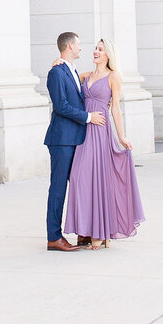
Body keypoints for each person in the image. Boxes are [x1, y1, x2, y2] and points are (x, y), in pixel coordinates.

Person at [63, 38, 145, 249]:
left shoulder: (114, 77)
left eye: (100, 49)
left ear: (108, 54)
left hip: (100, 131)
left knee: (98, 179)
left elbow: (115, 108)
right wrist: (58, 61)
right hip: (84, 131)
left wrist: (122, 137)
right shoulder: (86, 76)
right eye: (95, 49)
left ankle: (99, 234)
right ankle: (89, 230)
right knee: (79, 177)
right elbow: (68, 72)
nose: (96, 52)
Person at [43, 31, 106, 252]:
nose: (81, 48)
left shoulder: (71, 70)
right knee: (58, 189)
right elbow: (61, 106)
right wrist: (89, 118)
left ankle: (83, 232)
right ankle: (54, 237)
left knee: (81, 185)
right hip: (61, 140)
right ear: (69, 46)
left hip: (76, 139)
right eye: (78, 44)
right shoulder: (56, 72)